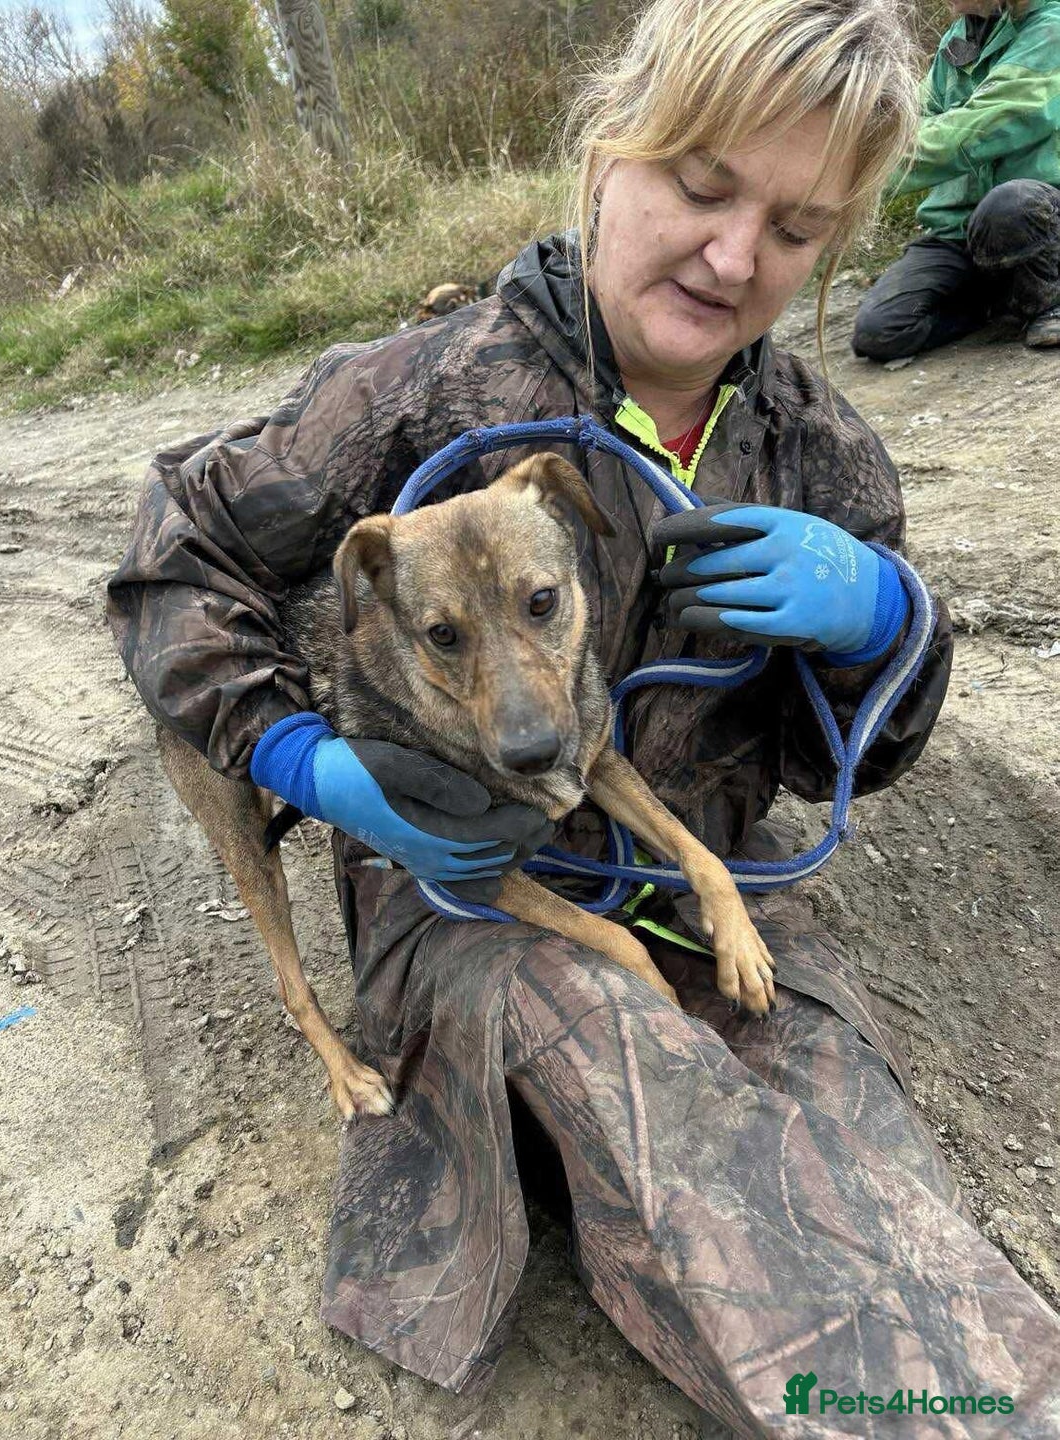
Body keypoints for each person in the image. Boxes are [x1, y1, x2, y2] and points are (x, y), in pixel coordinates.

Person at [107, 0, 1060, 1432]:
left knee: (839, 1102)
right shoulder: (421, 386)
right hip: (472, 897)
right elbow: (174, 553)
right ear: (613, 149)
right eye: (703, 184)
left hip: (687, 872)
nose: (738, 255)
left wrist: (881, 627)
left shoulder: (815, 448)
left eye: (799, 229)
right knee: (658, 1106)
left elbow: (854, 752)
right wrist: (294, 752)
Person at [853, 0, 1060, 360]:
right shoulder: (963, 33)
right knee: (879, 332)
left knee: (1009, 205)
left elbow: (986, 124)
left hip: (1036, 217)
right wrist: (853, 158)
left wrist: (859, 173)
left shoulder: (1051, 27)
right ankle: (1001, 302)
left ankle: (1050, 302)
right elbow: (906, 117)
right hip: (958, 229)